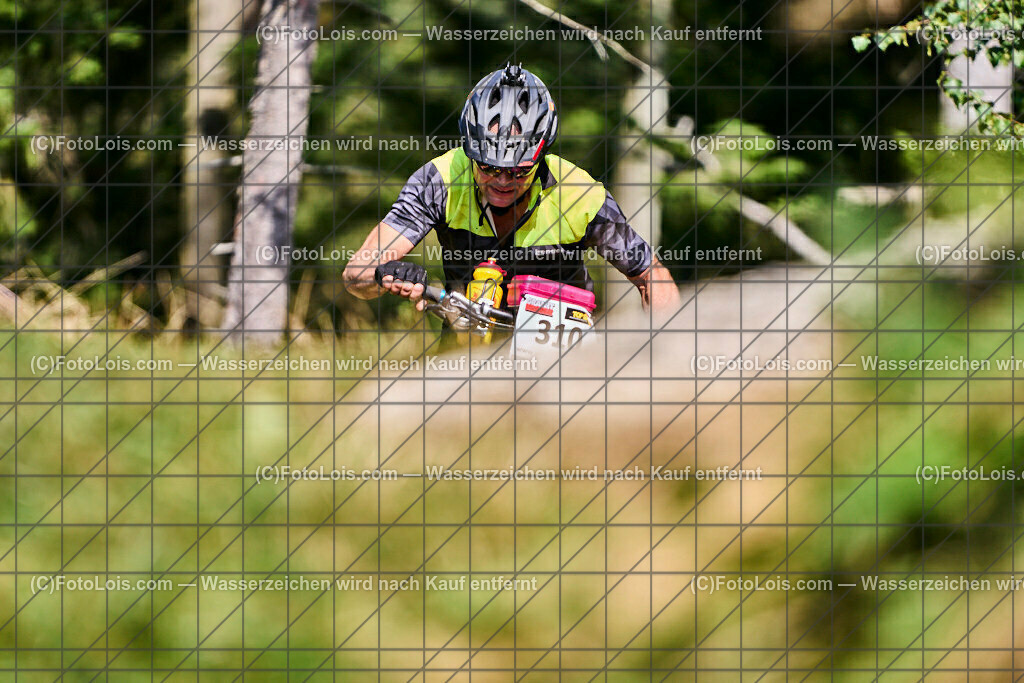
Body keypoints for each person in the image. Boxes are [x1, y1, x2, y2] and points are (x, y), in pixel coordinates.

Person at [343, 63, 679, 318]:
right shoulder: (438, 180)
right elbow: (355, 274)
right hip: (470, 346)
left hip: (564, 354)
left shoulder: (580, 193)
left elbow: (651, 275)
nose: (502, 181)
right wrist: (386, 272)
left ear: (540, 155)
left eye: (518, 171)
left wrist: (665, 357)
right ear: (469, 150)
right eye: (487, 167)